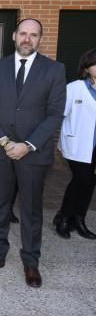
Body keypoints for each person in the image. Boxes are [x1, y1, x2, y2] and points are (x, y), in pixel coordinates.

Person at [0, 18, 65, 288]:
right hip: (1, 150)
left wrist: (27, 145)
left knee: (31, 209)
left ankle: (31, 262)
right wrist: (5, 143)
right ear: (14, 35)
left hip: (34, 154)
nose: (28, 39)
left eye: (34, 35)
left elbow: (54, 114)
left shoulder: (54, 69)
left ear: (40, 39)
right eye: (23, 33)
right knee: (0, 205)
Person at [55, 48, 96, 240]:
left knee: (90, 183)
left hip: (94, 147)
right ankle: (63, 217)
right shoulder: (75, 88)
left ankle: (79, 219)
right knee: (81, 179)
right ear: (86, 68)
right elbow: (59, 113)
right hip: (78, 144)